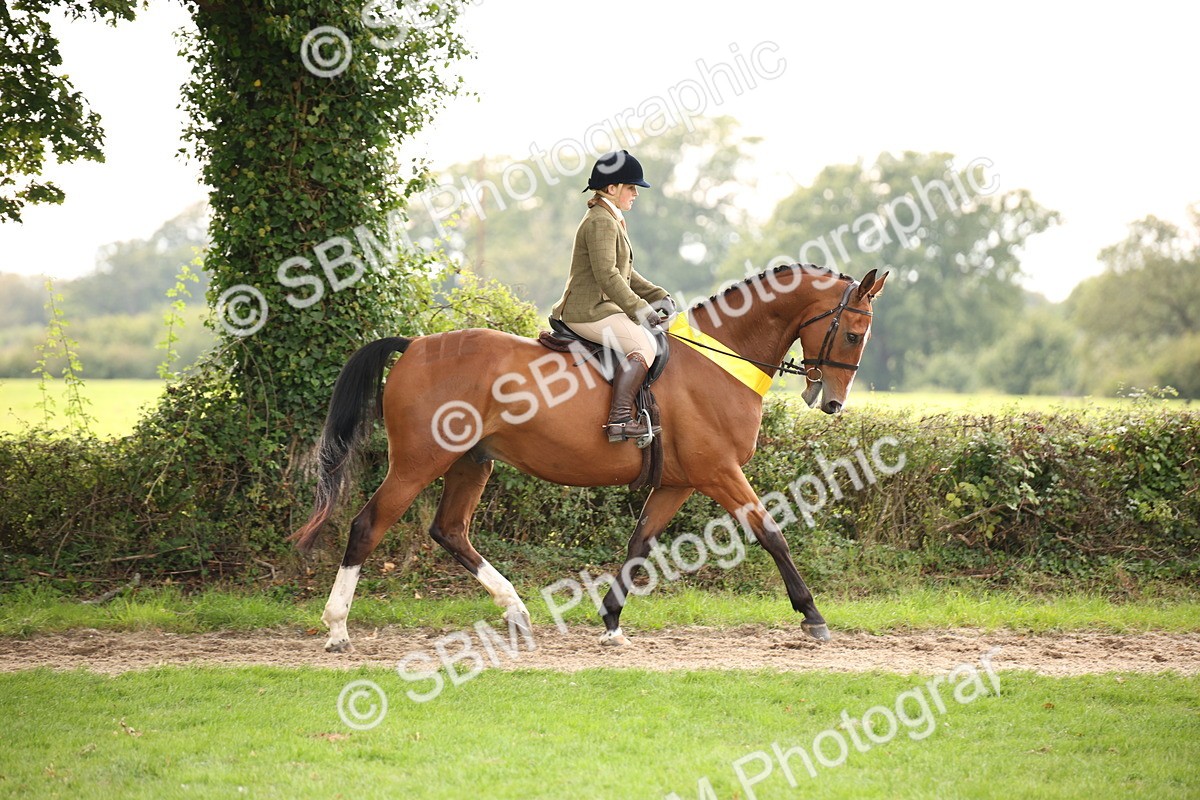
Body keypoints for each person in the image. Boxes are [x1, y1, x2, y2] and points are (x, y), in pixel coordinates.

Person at [551, 150, 676, 443]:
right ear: (612, 189)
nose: (635, 194)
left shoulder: (610, 218)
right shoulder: (601, 222)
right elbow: (608, 276)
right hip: (586, 311)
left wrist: (659, 295)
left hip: (601, 307)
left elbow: (627, 273)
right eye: (631, 187)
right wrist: (642, 311)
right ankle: (619, 420)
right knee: (644, 346)